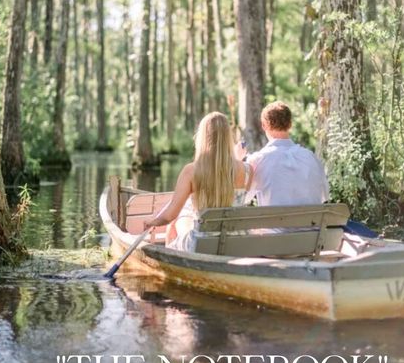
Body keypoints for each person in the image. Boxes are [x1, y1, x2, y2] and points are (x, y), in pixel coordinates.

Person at [140, 112, 252, 251]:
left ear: (203, 137)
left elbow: (170, 215)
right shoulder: (247, 170)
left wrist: (152, 222)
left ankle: (172, 266)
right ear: (228, 137)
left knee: (174, 223)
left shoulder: (191, 171)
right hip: (237, 244)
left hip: (201, 245)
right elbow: (226, 177)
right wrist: (237, 159)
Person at [237, 101, 329, 207]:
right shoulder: (312, 158)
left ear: (264, 125)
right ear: (290, 124)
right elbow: (323, 196)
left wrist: (239, 162)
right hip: (312, 223)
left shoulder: (257, 160)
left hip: (274, 223)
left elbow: (241, 199)